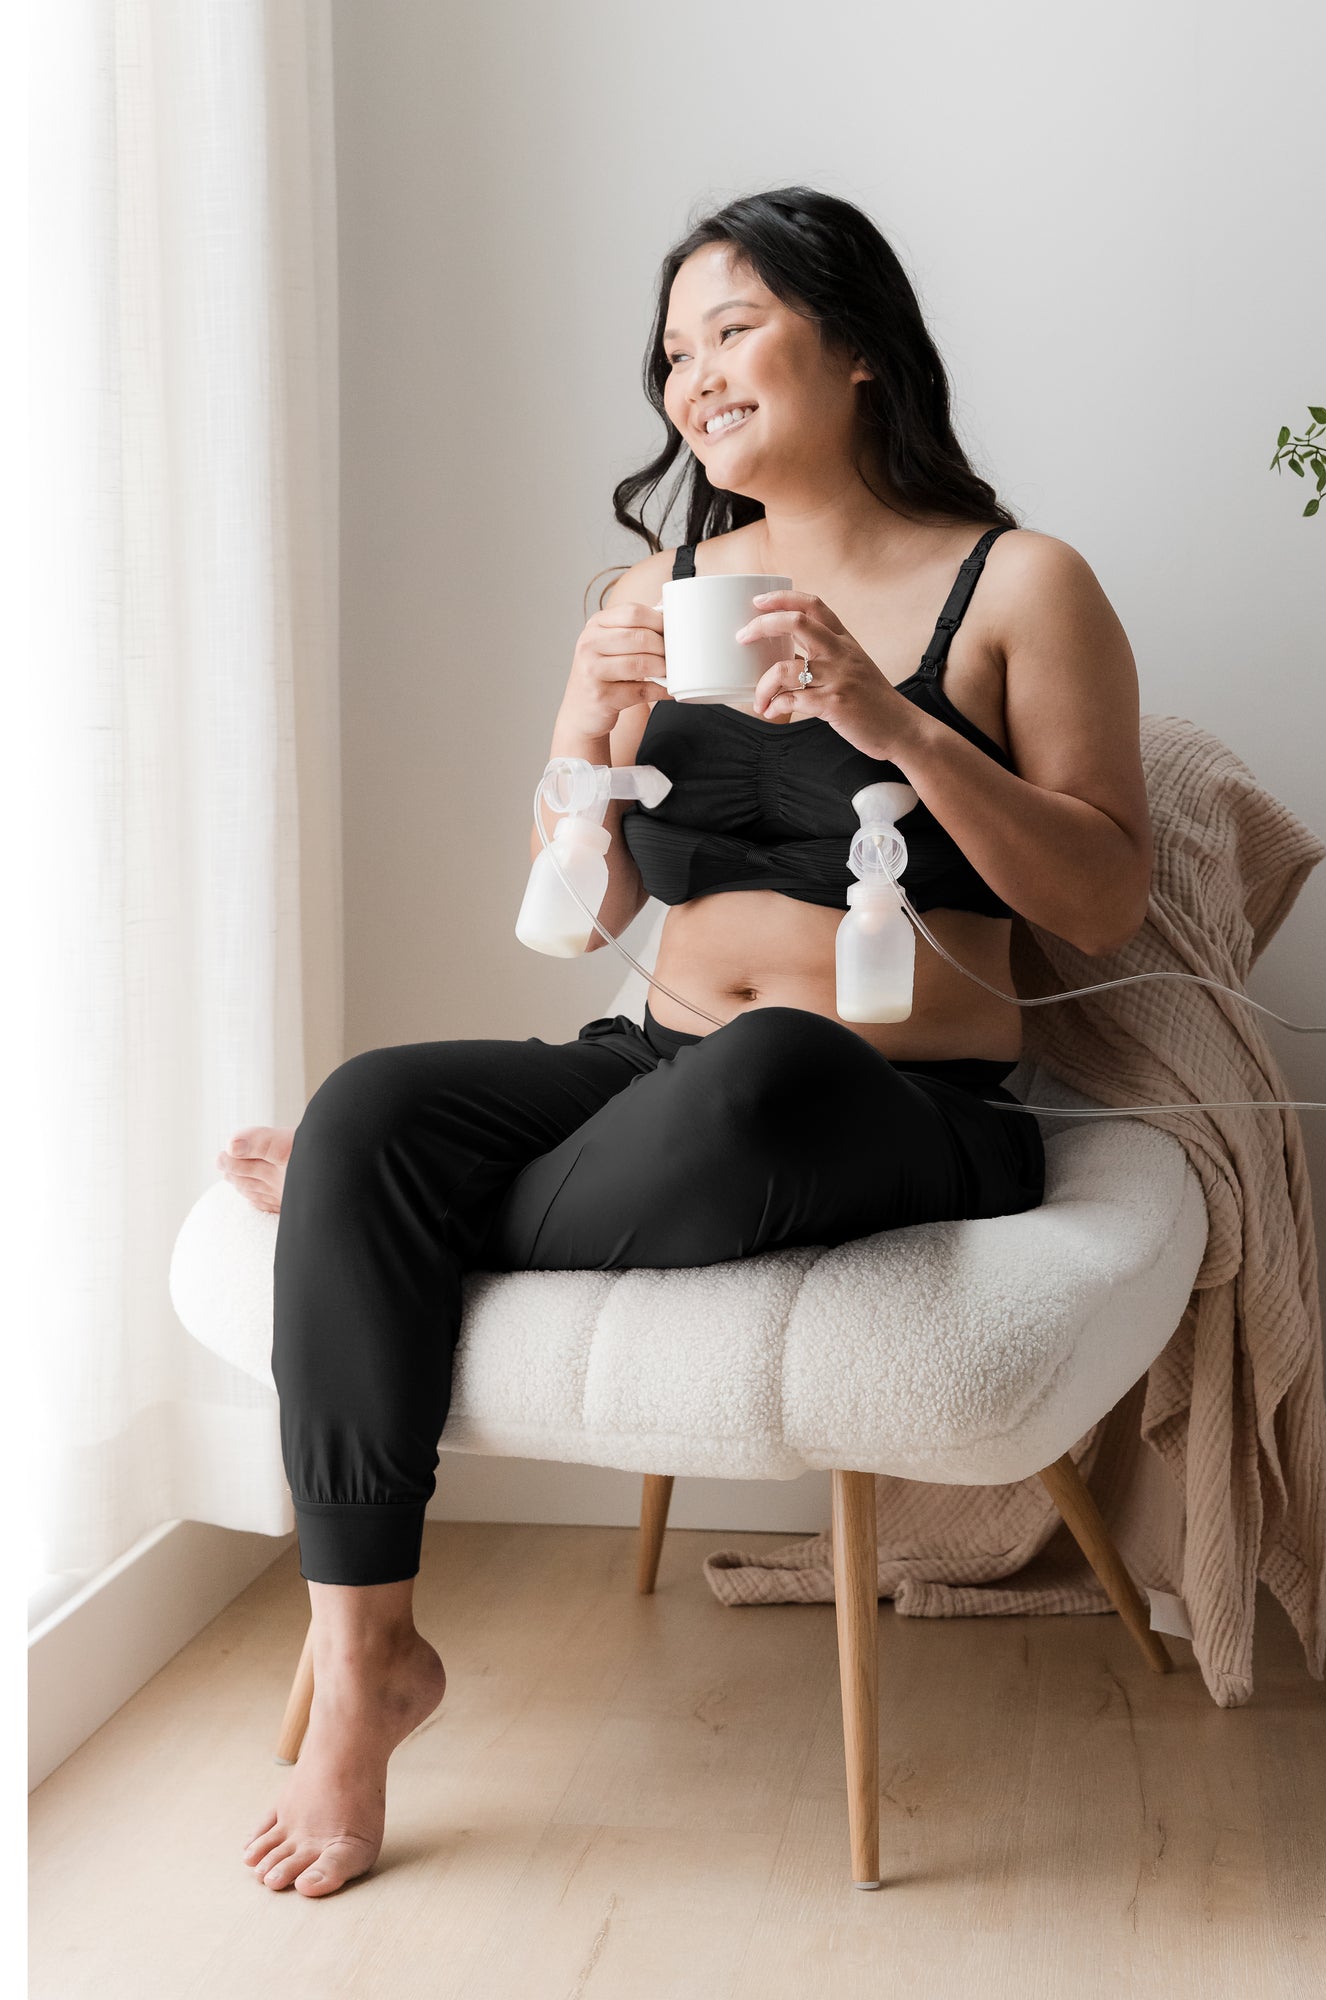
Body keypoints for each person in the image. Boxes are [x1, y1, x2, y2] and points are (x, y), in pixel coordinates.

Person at [230, 185, 1152, 1898]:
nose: (694, 376)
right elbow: (580, 919)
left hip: (886, 1095)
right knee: (369, 1102)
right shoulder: (648, 590)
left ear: (860, 346)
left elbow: (1100, 900)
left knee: (754, 1077)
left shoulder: (1020, 584)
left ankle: (363, 1225)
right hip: (644, 1071)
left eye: (733, 327)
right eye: (673, 349)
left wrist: (890, 720)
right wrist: (584, 726)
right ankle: (369, 1669)